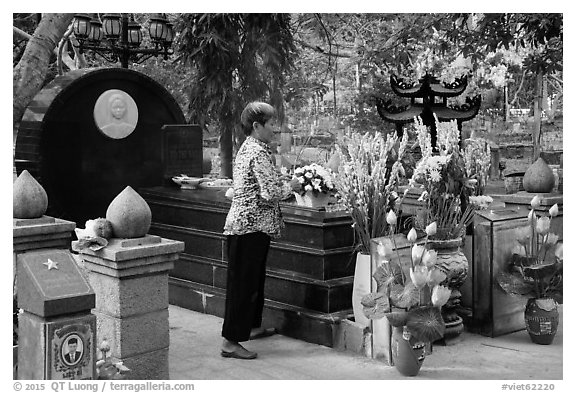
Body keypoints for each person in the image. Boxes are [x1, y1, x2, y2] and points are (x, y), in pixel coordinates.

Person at [221, 102, 300, 360]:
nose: (275, 128)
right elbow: (271, 192)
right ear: (257, 126)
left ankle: (250, 328)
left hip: (251, 227)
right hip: (248, 228)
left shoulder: (253, 148)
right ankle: (230, 343)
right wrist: (295, 184)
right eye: (271, 123)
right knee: (243, 285)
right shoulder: (257, 151)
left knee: (253, 281)